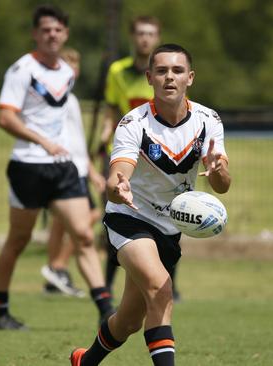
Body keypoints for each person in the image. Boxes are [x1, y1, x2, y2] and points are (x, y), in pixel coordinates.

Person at [70, 43, 231, 366]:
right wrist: (119, 187)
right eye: (161, 71)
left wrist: (219, 170)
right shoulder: (134, 124)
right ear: (149, 77)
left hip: (170, 228)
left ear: (190, 78)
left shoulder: (207, 121)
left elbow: (221, 186)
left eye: (177, 71)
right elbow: (118, 178)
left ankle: (85, 362)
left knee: (128, 320)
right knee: (161, 287)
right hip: (130, 218)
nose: (169, 77)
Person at [0, 5, 113, 330]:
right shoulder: (21, 70)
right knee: (19, 240)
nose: (52, 35)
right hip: (28, 166)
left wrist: (80, 162)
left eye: (58, 30)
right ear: (35, 34)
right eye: (45, 30)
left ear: (65, 34)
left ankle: (105, 311)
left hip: (63, 168)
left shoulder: (66, 74)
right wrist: (41, 141)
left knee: (84, 234)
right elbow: (6, 118)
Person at [100, 16, 180, 301]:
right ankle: (109, 283)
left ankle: (171, 284)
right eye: (141, 34)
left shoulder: (165, 72)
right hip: (124, 154)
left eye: (151, 34)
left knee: (171, 216)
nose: (145, 39)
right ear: (133, 37)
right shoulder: (117, 71)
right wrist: (102, 140)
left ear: (157, 38)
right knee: (118, 214)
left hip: (162, 154)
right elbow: (111, 109)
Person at [41, 47, 106, 298]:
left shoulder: (72, 99)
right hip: (65, 169)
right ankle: (57, 266)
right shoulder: (56, 99)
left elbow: (77, 141)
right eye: (68, 63)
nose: (74, 69)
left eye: (75, 64)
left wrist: (91, 171)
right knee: (89, 215)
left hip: (77, 168)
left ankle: (55, 273)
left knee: (62, 222)